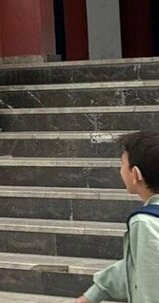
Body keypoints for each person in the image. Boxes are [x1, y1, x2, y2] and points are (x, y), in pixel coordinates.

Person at [77, 130, 159, 303]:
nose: (120, 169)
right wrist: (93, 294)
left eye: (122, 163)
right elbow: (136, 265)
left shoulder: (145, 222)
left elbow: (151, 287)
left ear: (136, 174)